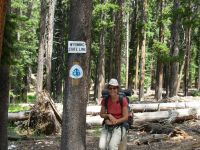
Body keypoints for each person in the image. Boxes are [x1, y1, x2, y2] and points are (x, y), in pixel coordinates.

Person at [99, 78, 129, 150]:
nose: (112, 90)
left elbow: (126, 117)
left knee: (112, 147)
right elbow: (101, 114)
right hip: (107, 126)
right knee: (101, 147)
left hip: (119, 126)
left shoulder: (123, 100)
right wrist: (109, 115)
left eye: (114, 88)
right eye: (110, 88)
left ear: (117, 89)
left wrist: (115, 121)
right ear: (108, 89)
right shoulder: (105, 99)